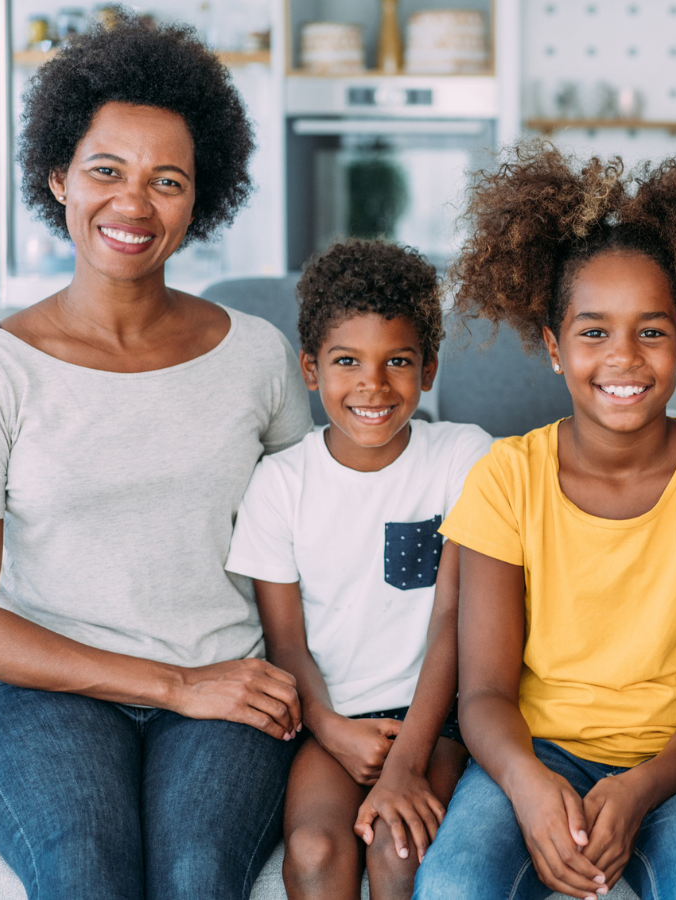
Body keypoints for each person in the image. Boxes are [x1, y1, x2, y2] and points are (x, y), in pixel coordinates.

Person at [0, 16, 314, 900]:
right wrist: (173, 683)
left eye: (167, 181)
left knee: (199, 874)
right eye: (105, 170)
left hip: (232, 681)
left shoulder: (258, 356)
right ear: (57, 178)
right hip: (49, 693)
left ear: (199, 201)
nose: (133, 204)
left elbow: (311, 547)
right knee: (85, 872)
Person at [413, 145, 676, 900]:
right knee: (452, 887)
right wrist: (526, 783)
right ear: (555, 349)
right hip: (533, 754)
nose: (623, 357)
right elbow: (484, 692)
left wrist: (641, 788)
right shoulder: (506, 478)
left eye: (651, 332)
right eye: (593, 333)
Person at [224, 240, 492, 900]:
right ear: (311, 370)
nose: (372, 384)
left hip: (435, 719)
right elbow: (285, 642)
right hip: (331, 715)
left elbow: (454, 621)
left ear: (428, 370)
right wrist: (334, 731)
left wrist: (407, 759)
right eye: (347, 362)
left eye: (396, 361)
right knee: (314, 851)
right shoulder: (280, 484)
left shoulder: (463, 457)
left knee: (400, 849)